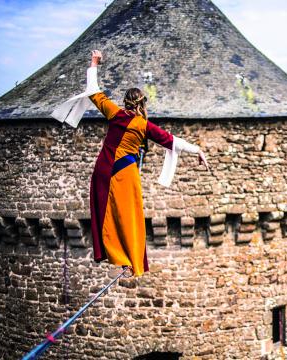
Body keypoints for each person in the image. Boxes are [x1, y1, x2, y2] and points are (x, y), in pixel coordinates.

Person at [79, 50, 208, 277]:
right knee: (130, 217)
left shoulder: (114, 113)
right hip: (124, 172)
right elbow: (172, 141)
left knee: (106, 214)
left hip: (102, 169)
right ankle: (130, 261)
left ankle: (114, 255)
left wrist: (94, 63)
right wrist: (197, 149)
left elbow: (93, 92)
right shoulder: (143, 125)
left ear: (126, 102)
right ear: (142, 103)